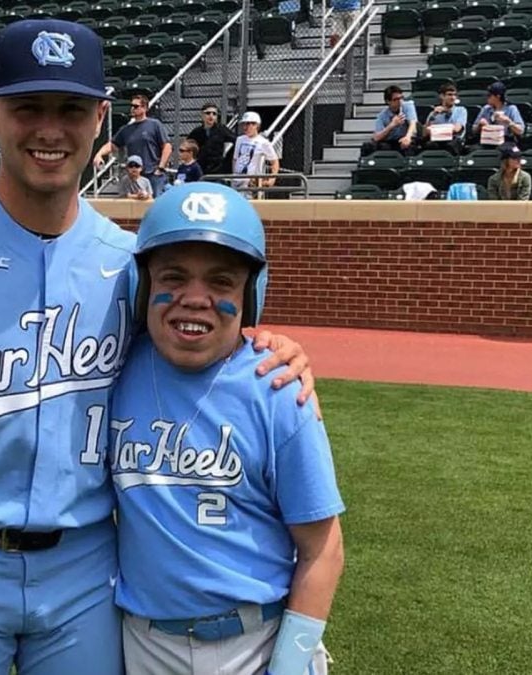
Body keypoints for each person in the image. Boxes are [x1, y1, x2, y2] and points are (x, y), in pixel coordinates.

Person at [0, 18, 315, 675]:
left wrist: (269, 343)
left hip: (86, 564)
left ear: (102, 119)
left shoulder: (129, 263)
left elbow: (198, 342)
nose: (50, 130)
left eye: (72, 109)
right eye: (29, 106)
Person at [113, 181, 343, 675]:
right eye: (172, 276)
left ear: (250, 294)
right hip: (145, 643)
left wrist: (290, 661)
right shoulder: (115, 372)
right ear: (143, 286)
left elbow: (324, 548)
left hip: (257, 642)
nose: (195, 299)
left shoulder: (277, 387)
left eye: (221, 282)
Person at [93, 94, 172, 197]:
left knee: (155, 203)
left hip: (153, 173)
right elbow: (112, 145)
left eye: (136, 106)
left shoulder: (155, 125)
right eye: (131, 106)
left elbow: (167, 146)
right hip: (135, 175)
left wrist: (160, 168)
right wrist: (99, 154)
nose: (132, 109)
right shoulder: (126, 129)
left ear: (145, 108)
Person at [232, 111, 280, 195]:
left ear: (256, 125)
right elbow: (235, 159)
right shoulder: (239, 139)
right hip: (237, 180)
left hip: (251, 183)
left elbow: (274, 161)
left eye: (248, 124)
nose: (245, 127)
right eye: (244, 124)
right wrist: (234, 174)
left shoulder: (263, 142)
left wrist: (272, 179)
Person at [361, 85, 417, 156]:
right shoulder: (382, 116)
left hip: (405, 138)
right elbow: (376, 137)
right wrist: (392, 125)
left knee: (410, 146)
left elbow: (413, 123)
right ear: (388, 101)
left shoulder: (408, 105)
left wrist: (408, 137)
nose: (400, 101)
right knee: (368, 146)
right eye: (396, 99)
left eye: (401, 98)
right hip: (390, 141)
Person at [185, 103, 236, 176]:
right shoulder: (196, 132)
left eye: (214, 114)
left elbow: (235, 141)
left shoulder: (222, 130)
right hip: (201, 169)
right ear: (202, 115)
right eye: (208, 113)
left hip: (217, 170)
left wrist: (226, 159)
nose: (211, 116)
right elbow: (188, 146)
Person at [422, 82, 467, 155]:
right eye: (449, 95)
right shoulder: (433, 113)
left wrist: (435, 130)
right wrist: (433, 116)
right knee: (429, 146)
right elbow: (425, 133)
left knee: (451, 146)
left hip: (453, 140)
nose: (453, 98)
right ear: (442, 96)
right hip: (437, 140)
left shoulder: (461, 110)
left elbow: (456, 129)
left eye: (455, 95)